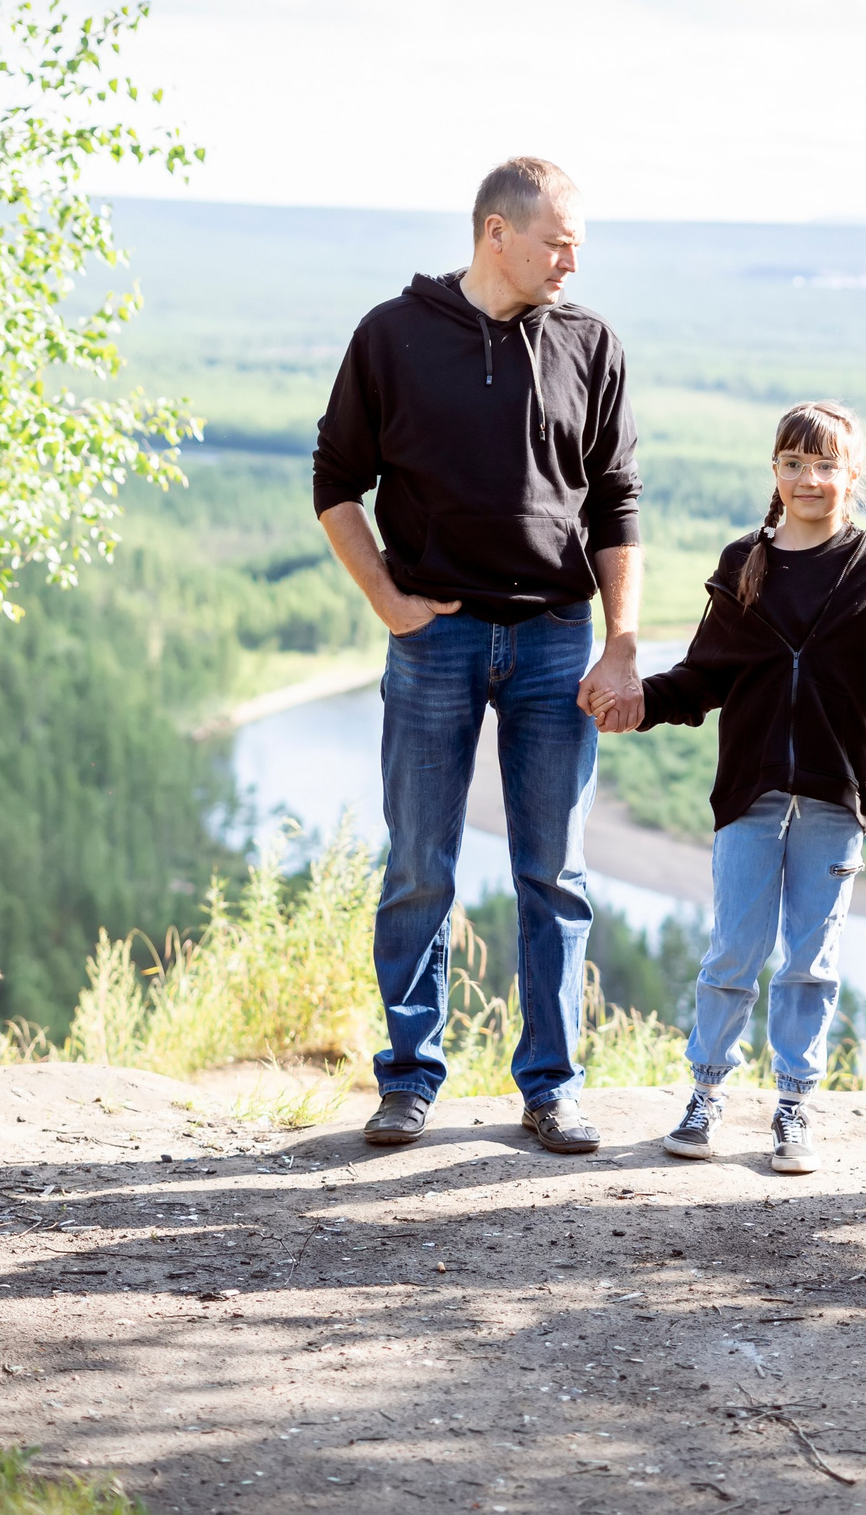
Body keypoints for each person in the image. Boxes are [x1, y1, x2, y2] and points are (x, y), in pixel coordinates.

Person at [312, 157, 645, 1156]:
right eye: (557, 240)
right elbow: (336, 482)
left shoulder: (590, 343)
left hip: (554, 640)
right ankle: (408, 1079)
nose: (572, 259)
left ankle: (551, 1087)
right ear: (495, 232)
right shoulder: (393, 335)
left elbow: (617, 501)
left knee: (556, 874)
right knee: (419, 864)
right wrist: (388, 602)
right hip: (436, 640)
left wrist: (623, 639)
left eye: (578, 242)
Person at [616, 402, 866, 1174]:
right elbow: (703, 677)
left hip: (835, 803)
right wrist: (638, 703)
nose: (811, 479)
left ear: (853, 475)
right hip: (749, 793)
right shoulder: (745, 563)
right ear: (775, 473)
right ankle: (706, 1096)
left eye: (827, 465)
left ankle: (794, 1108)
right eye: (795, 464)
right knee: (733, 950)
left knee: (812, 959)